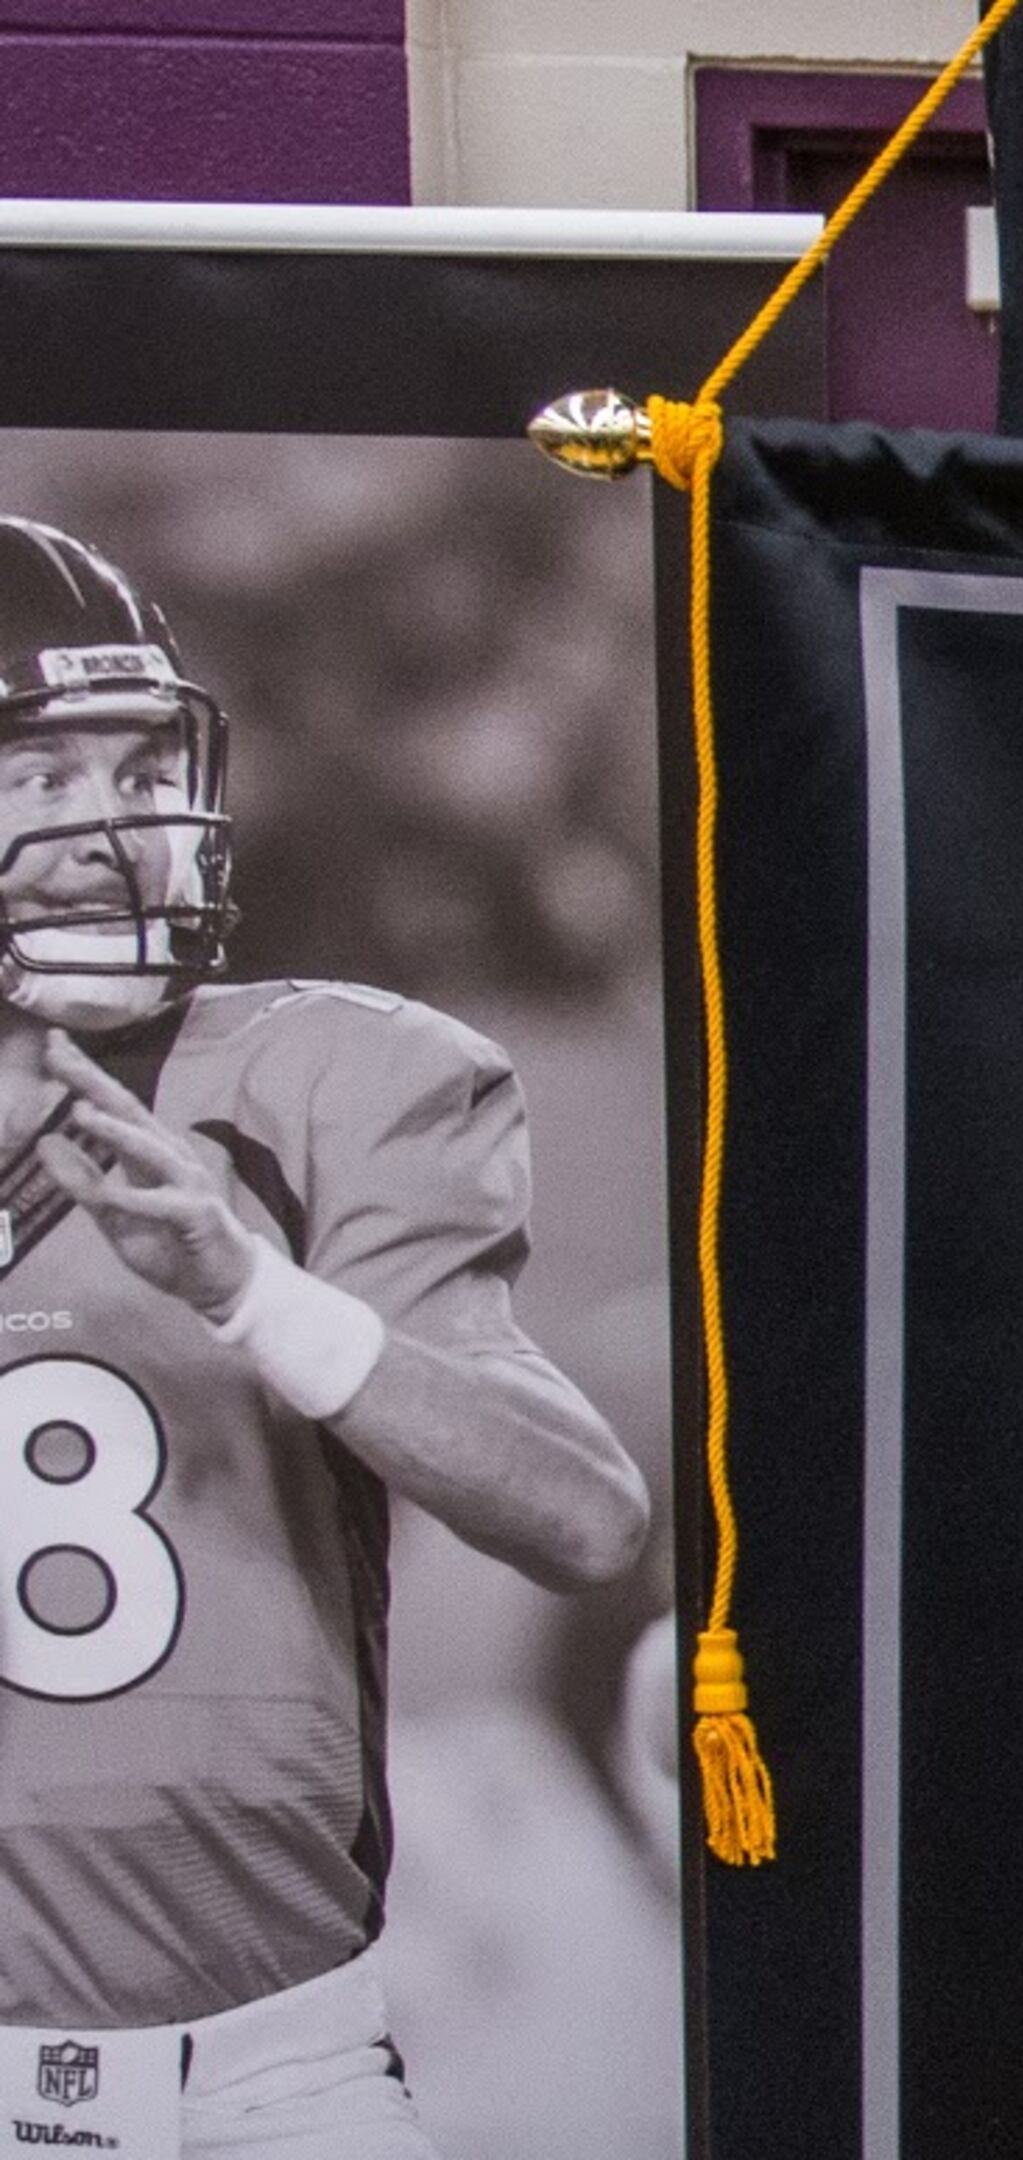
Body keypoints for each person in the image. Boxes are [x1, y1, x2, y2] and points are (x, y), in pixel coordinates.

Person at [0, 516, 648, 2157]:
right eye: (41, 776)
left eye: (139, 768)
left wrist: (251, 1290)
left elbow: (582, 1517)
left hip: (264, 2073)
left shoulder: (326, 1082)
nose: (110, 832)